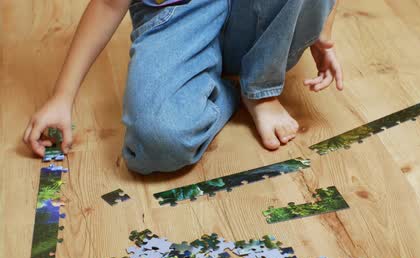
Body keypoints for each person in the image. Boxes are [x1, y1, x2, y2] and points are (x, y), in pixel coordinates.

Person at [22, 0, 343, 174]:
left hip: (257, 15)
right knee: (159, 141)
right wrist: (62, 97)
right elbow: (108, 5)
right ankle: (224, 88)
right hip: (176, 14)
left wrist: (321, 29)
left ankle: (260, 87)